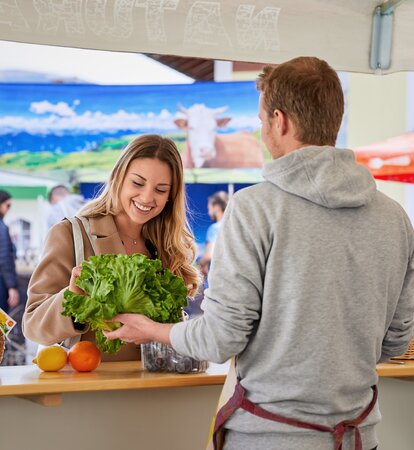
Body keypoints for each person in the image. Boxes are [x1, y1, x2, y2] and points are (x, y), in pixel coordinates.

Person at [103, 57, 414, 450]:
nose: (262, 129)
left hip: (268, 439)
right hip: (358, 438)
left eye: (262, 119)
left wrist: (151, 330)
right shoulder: (395, 218)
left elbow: (220, 339)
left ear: (279, 121)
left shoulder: (254, 208)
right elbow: (396, 343)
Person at [23, 135, 200, 362]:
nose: (147, 197)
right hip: (91, 390)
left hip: (155, 387)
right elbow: (33, 325)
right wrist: (74, 299)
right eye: (137, 183)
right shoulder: (70, 233)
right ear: (118, 178)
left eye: (161, 189)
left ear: (170, 197)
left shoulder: (167, 246)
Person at [199, 191, 229, 277]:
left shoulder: (215, 228)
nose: (209, 212)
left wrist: (198, 266)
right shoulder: (232, 226)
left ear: (216, 208)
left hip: (219, 277)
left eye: (209, 209)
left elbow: (208, 255)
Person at [0, 190, 19, 314]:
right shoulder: (1, 227)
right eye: (8, 205)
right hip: (1, 282)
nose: (9, 209)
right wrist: (12, 286)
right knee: (2, 319)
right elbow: (4, 258)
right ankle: (2, 334)